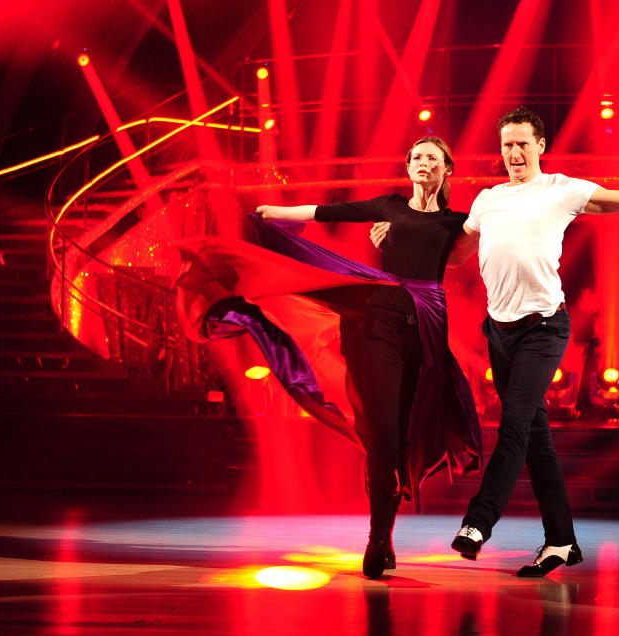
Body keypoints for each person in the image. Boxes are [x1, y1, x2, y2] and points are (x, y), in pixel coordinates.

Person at [375, 107, 619, 577]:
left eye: (521, 144)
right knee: (536, 441)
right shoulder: (488, 201)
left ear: (540, 147)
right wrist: (397, 235)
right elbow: (451, 257)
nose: (513, 153)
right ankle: (561, 541)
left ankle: (479, 521)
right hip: (499, 332)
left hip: (544, 328)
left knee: (514, 423)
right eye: (506, 145)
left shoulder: (563, 190)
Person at [204, 136, 480, 580]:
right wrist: (276, 214)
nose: (423, 162)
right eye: (416, 157)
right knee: (384, 431)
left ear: (448, 169)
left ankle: (386, 532)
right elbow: (328, 212)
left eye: (432, 157)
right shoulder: (390, 205)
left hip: (429, 323)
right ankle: (377, 538)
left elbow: (460, 258)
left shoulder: (458, 221)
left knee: (409, 429)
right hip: (382, 321)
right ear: (408, 167)